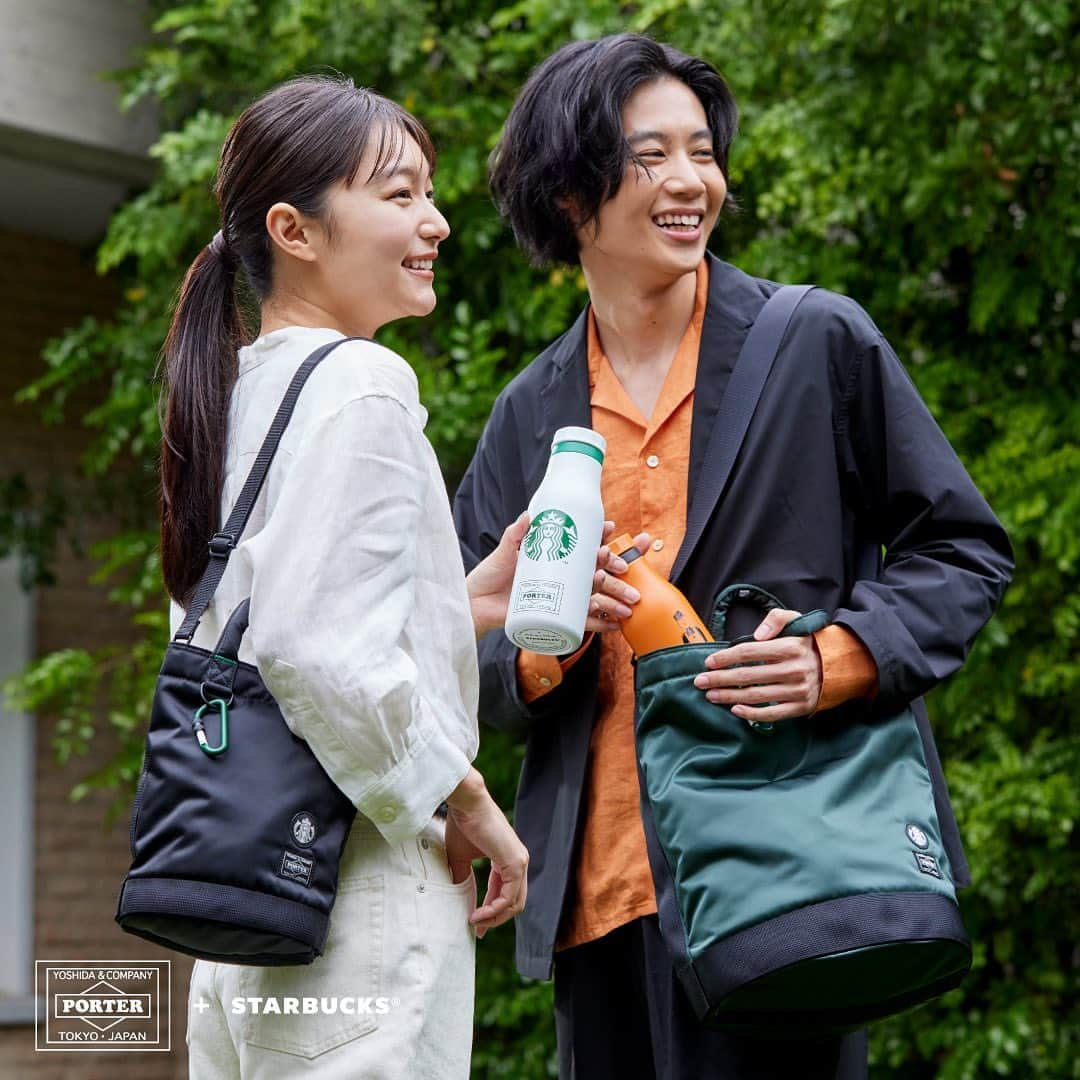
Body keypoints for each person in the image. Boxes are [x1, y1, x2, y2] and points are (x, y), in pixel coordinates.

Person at [453, 33, 1014, 1080]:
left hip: (790, 871)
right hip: (601, 903)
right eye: (650, 154)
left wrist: (836, 655)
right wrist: (544, 647)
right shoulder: (526, 417)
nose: (689, 182)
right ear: (570, 193)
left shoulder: (817, 342)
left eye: (701, 152)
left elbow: (962, 547)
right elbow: (457, 642)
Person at [158, 75, 536, 1079]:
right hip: (355, 898)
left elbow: (258, 622)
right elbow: (312, 646)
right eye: (400, 194)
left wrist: (469, 600)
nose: (437, 223)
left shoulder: (238, 393)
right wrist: (468, 800)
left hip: (245, 917)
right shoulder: (364, 383)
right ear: (296, 228)